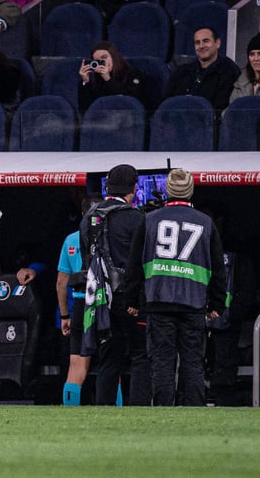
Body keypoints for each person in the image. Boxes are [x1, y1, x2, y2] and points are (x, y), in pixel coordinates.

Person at [123, 168, 225, 406]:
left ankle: (163, 411)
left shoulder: (148, 220)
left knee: (162, 361)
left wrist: (131, 301)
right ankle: (194, 410)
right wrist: (217, 304)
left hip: (158, 301)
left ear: (167, 191)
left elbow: (134, 267)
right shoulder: (206, 223)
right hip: (194, 302)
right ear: (190, 192)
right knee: (193, 362)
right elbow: (219, 270)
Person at [82, 163, 151, 405]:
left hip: (99, 299)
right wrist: (135, 299)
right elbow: (140, 263)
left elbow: (86, 260)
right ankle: (140, 408)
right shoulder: (137, 218)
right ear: (133, 189)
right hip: (131, 298)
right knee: (141, 355)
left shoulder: (89, 217)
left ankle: (105, 409)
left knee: (109, 358)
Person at [165, 26, 240, 110]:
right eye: (197, 42)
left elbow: (221, 109)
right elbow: (167, 105)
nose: (201, 46)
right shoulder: (182, 72)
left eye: (206, 41)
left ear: (217, 43)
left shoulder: (229, 71)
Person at [56, 219, 89, 406]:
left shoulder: (71, 239)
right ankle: (114, 411)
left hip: (79, 303)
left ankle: (69, 413)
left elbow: (61, 282)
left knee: (75, 367)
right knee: (110, 366)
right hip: (104, 304)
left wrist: (64, 315)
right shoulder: (111, 234)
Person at [78, 41, 149, 113]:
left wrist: (108, 79)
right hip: (101, 119)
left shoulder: (133, 74)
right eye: (97, 61)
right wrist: (85, 82)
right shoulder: (95, 79)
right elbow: (85, 110)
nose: (102, 62)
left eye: (104, 58)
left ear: (114, 56)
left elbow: (130, 102)